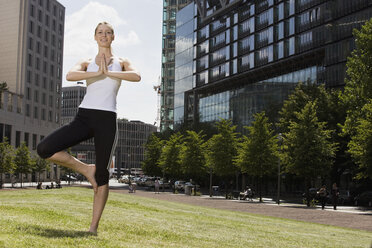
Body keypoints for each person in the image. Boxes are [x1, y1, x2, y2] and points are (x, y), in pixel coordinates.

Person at [36, 22, 141, 234]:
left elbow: (136, 76)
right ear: (95, 37)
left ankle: (93, 228)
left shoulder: (121, 62)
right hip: (84, 116)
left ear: (113, 37)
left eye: (108, 32)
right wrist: (96, 72)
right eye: (100, 32)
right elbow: (70, 76)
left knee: (102, 175)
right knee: (45, 149)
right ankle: (86, 169)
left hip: (107, 119)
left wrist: (109, 73)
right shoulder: (86, 61)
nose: (104, 35)